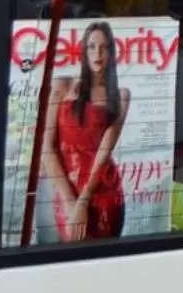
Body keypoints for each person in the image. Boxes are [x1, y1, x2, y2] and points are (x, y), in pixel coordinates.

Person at [42, 22, 129, 242]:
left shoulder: (120, 95)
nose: (97, 54)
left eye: (104, 47)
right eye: (91, 47)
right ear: (83, 50)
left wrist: (83, 200)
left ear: (111, 52)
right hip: (67, 192)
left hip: (103, 194)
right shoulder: (63, 86)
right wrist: (70, 201)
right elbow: (47, 149)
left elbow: (104, 154)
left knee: (104, 256)